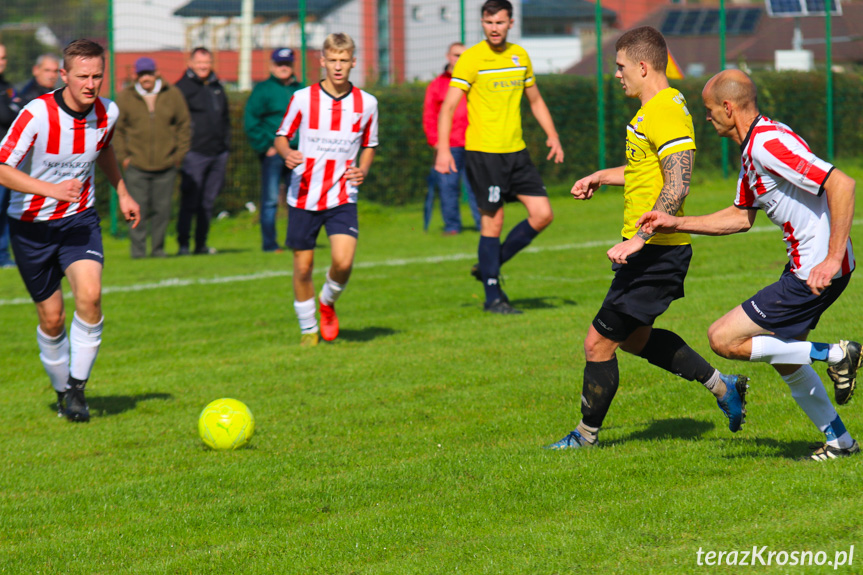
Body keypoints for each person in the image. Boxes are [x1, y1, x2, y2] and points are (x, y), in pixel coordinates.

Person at [639, 69, 860, 461]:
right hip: (808, 267)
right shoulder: (753, 147)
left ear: (728, 107)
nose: (707, 119)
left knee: (723, 338)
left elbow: (841, 184)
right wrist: (676, 222)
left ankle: (835, 355)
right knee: (782, 357)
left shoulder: (767, 145)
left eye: (709, 110)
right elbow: (741, 218)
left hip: (814, 270)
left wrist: (830, 258)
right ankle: (840, 442)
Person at [546, 27, 748, 450]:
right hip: (653, 250)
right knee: (635, 339)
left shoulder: (664, 112)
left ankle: (586, 436)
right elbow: (647, 171)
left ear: (642, 65)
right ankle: (724, 387)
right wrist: (602, 175)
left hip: (656, 253)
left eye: (620, 67)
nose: (616, 75)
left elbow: (678, 183)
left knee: (597, 343)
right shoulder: (658, 107)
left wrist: (640, 239)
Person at [0, 39, 140, 422]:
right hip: (31, 227)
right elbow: (2, 167)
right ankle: (63, 390)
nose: (90, 84)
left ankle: (77, 388)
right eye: (82, 76)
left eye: (97, 75)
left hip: (79, 220)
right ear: (64, 75)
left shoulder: (107, 112)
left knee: (91, 297)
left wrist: (122, 192)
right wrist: (51, 190)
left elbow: (105, 149)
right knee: (53, 319)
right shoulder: (36, 114)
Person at [436, 0, 564, 314]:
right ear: (482, 23)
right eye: (489, 22)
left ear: (510, 23)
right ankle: (493, 296)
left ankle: (488, 265)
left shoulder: (520, 56)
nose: (494, 28)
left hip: (516, 153)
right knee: (493, 223)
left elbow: (535, 100)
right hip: (484, 153)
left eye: (500, 22)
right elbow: (449, 107)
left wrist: (553, 135)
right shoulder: (470, 59)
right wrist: (442, 149)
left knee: (543, 214)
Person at [274, 32, 378, 346]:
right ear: (322, 61)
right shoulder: (303, 98)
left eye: (343, 60)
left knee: (344, 261)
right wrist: (286, 152)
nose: (337, 66)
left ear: (353, 62)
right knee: (303, 267)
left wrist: (362, 169)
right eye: (332, 60)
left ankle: (328, 302)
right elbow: (281, 136)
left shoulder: (367, 103)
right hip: (304, 195)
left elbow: (370, 145)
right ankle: (308, 330)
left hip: (342, 195)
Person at [115, 57, 191, 259]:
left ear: (156, 73)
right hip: (136, 165)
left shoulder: (172, 94)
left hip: (166, 164)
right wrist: (124, 157)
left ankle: (158, 250)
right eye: (142, 74)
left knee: (162, 210)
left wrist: (178, 156)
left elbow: (184, 126)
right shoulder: (125, 97)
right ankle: (138, 252)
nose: (146, 78)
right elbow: (117, 130)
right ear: (136, 76)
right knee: (136, 211)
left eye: (149, 73)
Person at [244, 47, 303, 252]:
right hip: (274, 154)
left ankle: (297, 241)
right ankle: (270, 244)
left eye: (287, 64)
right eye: (279, 64)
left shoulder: (301, 89)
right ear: (271, 66)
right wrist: (266, 146)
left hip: (298, 153)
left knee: (298, 199)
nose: (283, 68)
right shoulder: (263, 90)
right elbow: (251, 121)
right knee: (270, 200)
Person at [175, 47, 230, 255]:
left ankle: (201, 244)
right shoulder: (182, 88)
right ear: (190, 63)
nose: (203, 67)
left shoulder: (217, 86)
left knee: (207, 203)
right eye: (199, 63)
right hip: (194, 153)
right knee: (190, 201)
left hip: (218, 153)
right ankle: (183, 244)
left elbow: (224, 118)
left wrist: (226, 145)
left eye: (206, 63)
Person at [422, 41, 480, 234]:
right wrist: (436, 142)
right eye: (456, 55)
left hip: (475, 142)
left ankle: (484, 225)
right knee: (448, 188)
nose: (459, 59)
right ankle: (452, 226)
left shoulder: (475, 81)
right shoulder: (437, 85)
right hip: (449, 145)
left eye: (464, 55)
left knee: (478, 187)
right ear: (448, 57)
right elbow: (429, 115)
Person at [0, 43, 20, 269]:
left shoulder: (7, 87)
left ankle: (3, 256)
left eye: (4, 57)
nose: (2, 61)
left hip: (6, 160)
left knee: (5, 209)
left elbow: (18, 108)